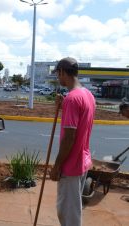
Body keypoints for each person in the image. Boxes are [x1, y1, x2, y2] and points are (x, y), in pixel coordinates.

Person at [50, 57, 96, 226]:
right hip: (82, 161)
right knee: (73, 211)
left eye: (57, 74)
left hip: (70, 166)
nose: (57, 77)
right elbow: (82, 120)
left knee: (68, 214)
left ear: (62, 72)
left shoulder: (72, 99)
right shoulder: (88, 95)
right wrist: (63, 107)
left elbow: (69, 138)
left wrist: (57, 166)